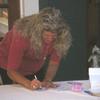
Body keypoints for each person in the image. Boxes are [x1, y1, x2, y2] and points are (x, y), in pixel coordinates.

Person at [0, 7, 72, 90]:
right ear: (38, 31)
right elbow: (11, 71)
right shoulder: (22, 34)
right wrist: (28, 83)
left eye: (53, 36)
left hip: (34, 65)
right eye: (46, 36)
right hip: (8, 64)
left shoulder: (60, 37)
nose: (50, 39)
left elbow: (53, 63)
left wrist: (47, 80)